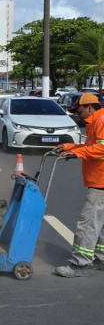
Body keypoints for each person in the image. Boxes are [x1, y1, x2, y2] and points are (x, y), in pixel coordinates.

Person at [54, 92, 104, 278]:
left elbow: (101, 149)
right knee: (100, 224)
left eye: (79, 110)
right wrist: (70, 148)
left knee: (88, 224)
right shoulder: (96, 122)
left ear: (89, 107)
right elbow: (91, 146)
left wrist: (78, 154)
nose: (77, 113)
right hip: (100, 181)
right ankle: (101, 258)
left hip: (101, 181)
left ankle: (80, 264)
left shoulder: (101, 121)